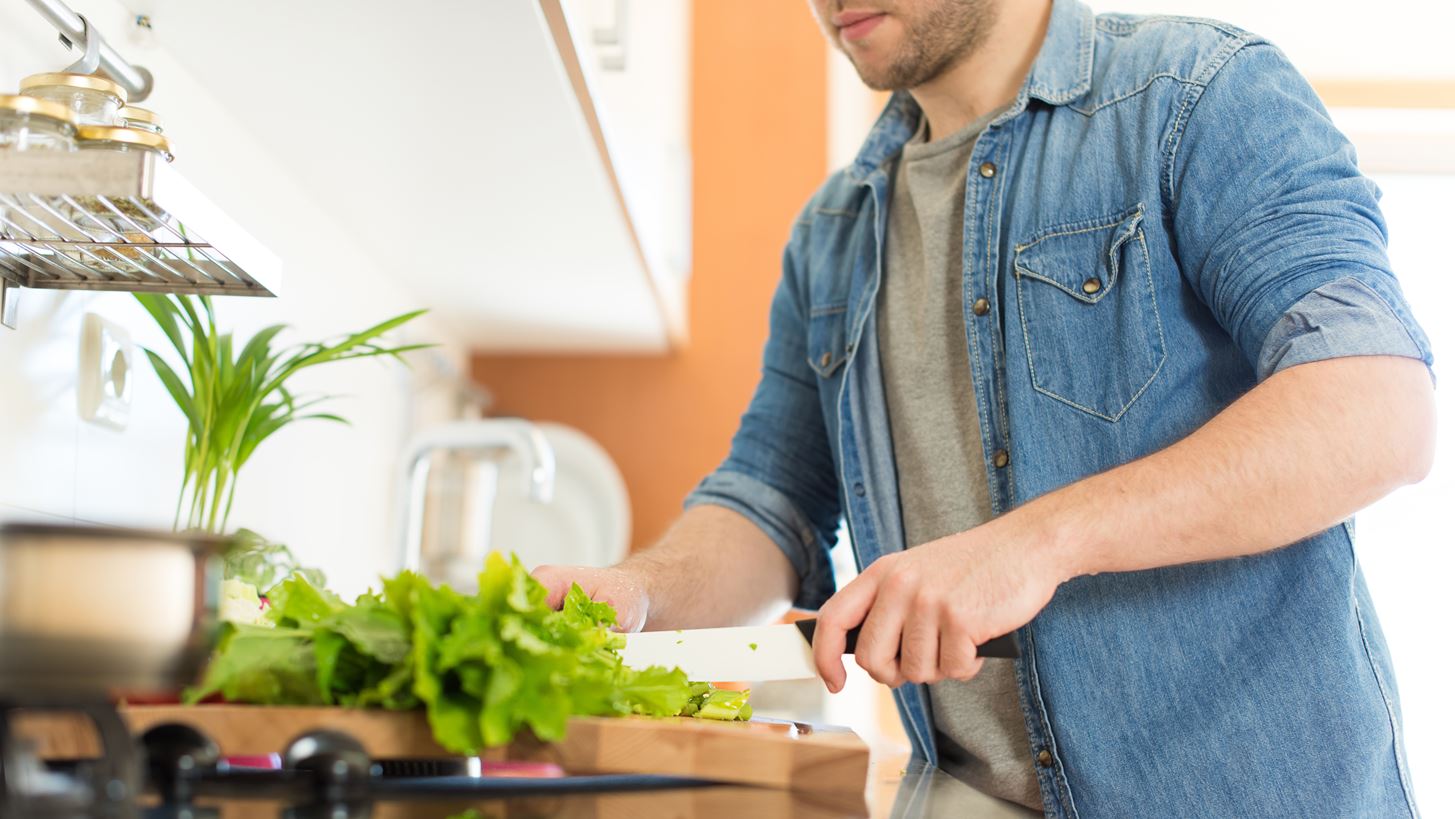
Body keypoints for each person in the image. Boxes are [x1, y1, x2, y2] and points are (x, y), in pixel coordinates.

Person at [534, 0, 1436, 815]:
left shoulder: (1195, 94)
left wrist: (1034, 544)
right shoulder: (833, 231)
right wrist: (638, 594)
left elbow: (1375, 404)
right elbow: (769, 496)